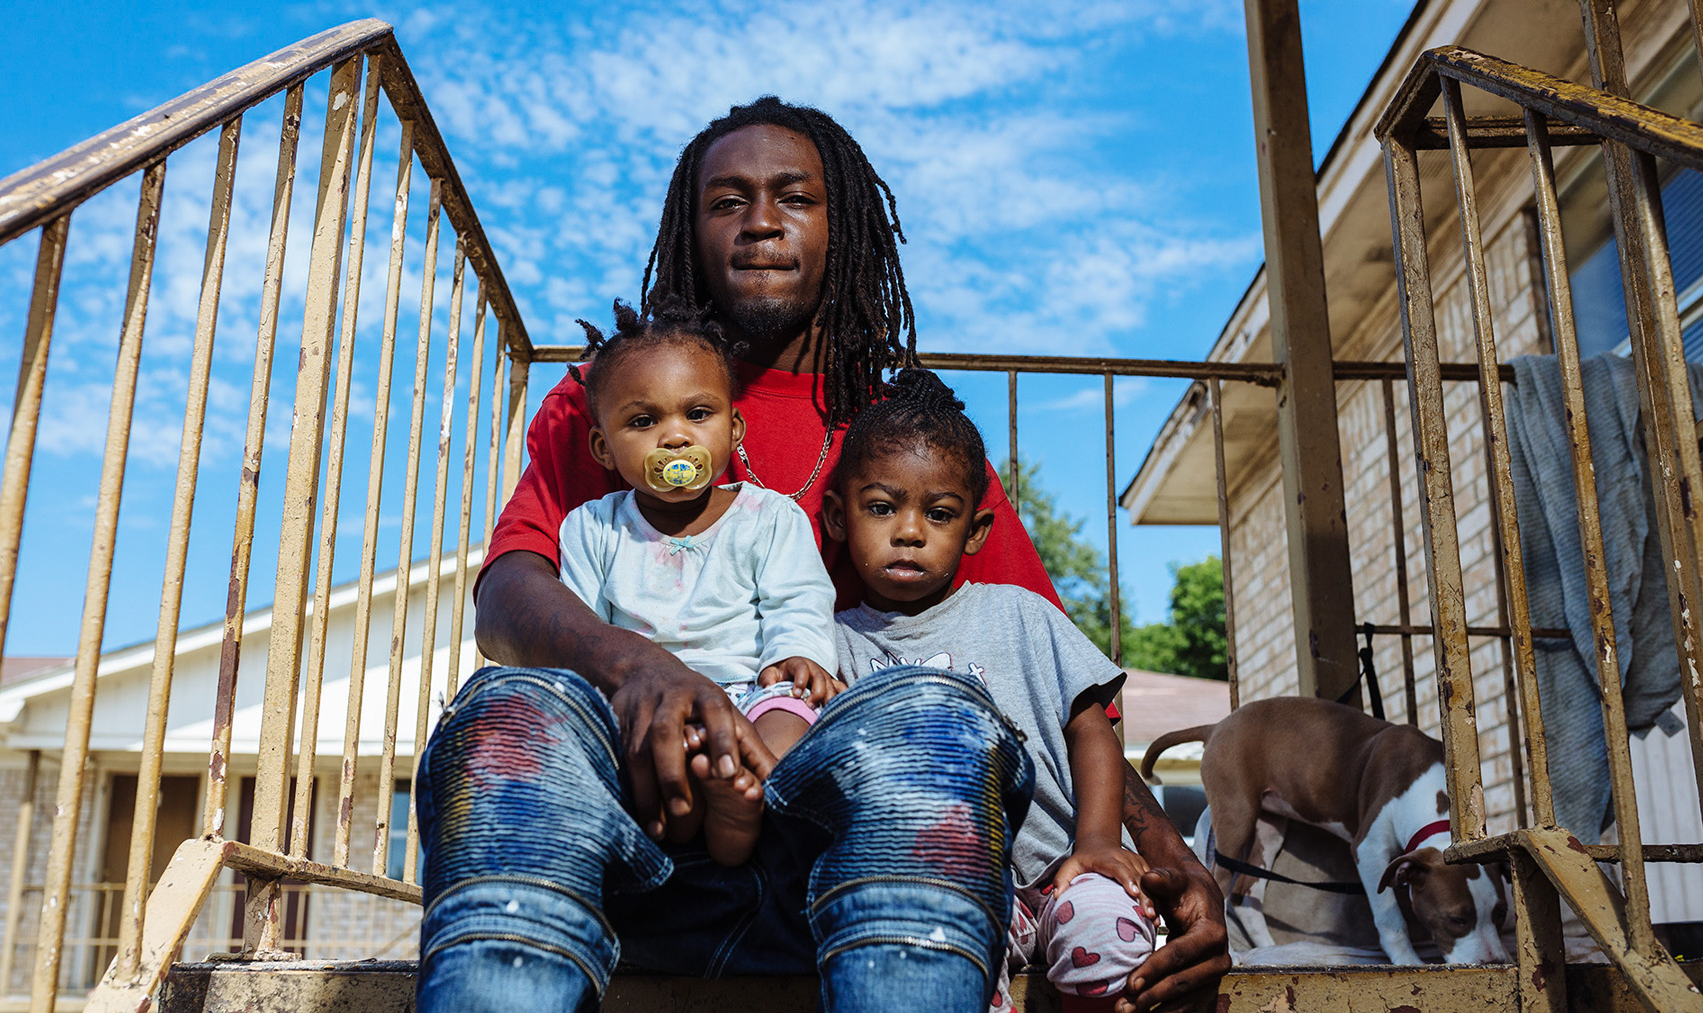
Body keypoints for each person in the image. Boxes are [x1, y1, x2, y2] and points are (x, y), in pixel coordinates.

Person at [429, 96, 1227, 1013]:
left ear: (840, 226)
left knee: (934, 711)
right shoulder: (619, 398)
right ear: (689, 233)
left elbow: (1043, 674)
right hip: (632, 843)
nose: (761, 220)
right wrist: (635, 666)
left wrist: (1161, 851)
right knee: (508, 709)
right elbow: (509, 595)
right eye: (727, 200)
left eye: (793, 197)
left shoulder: (911, 440)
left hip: (859, 868)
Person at [825, 369, 1155, 1012]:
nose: (910, 531)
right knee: (936, 957)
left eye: (938, 514)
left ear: (974, 533)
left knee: (1106, 941)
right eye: (882, 508)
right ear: (840, 516)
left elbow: (1093, 727)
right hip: (947, 886)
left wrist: (1097, 842)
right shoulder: (829, 645)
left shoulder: (1021, 615)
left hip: (1064, 868)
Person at [556, 300, 843, 865]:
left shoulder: (770, 517)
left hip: (751, 694)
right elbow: (581, 634)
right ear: (603, 447)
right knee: (600, 739)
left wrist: (798, 655)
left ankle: (752, 793)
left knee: (793, 712)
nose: (675, 438)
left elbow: (800, 601)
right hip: (646, 703)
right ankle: (701, 803)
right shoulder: (591, 528)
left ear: (732, 429)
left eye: (698, 414)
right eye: (644, 422)